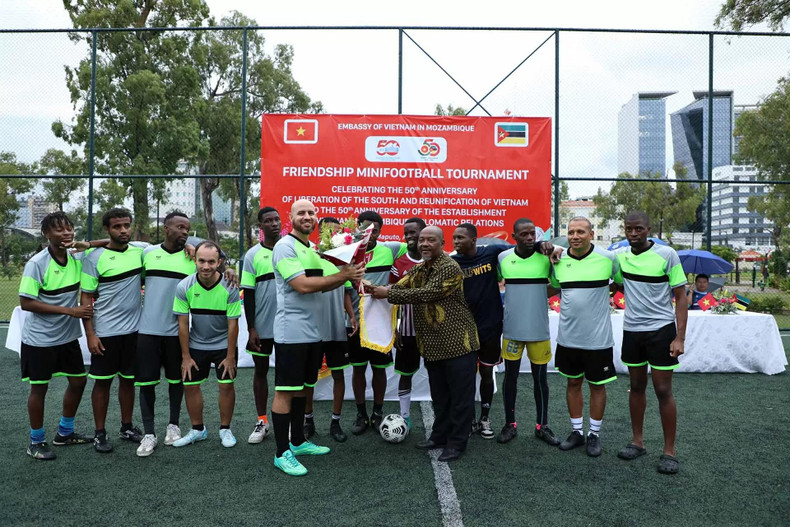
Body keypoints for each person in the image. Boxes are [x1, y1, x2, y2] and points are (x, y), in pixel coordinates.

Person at [271, 199, 364, 476]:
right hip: (292, 332)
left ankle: (298, 441)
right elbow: (301, 285)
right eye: (302, 213)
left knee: (302, 387)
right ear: (292, 218)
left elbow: (328, 284)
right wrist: (343, 275)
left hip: (314, 332)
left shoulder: (312, 249)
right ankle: (281, 452)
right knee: (286, 390)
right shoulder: (284, 246)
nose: (308, 217)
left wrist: (351, 270)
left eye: (311, 213)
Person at [371, 226, 479, 463]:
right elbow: (402, 285)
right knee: (440, 395)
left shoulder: (450, 267)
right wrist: (373, 289)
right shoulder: (420, 268)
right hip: (433, 346)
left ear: (442, 243)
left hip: (459, 344)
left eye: (431, 240)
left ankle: (457, 443)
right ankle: (439, 436)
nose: (424, 244)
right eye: (422, 240)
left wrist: (387, 294)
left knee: (460, 397)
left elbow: (427, 293)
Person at [615, 211, 687, 475]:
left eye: (638, 229)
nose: (633, 234)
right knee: (636, 386)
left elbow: (681, 296)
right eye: (629, 229)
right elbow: (617, 284)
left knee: (663, 390)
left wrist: (680, 337)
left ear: (648, 229)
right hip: (632, 331)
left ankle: (669, 451)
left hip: (661, 332)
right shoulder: (620, 257)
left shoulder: (667, 255)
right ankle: (637, 442)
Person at [18, 212, 94, 460]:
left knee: (78, 382)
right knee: (39, 388)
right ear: (46, 234)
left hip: (67, 337)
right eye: (59, 230)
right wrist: (69, 310)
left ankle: (65, 433)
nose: (67, 233)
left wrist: (88, 244)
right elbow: (27, 303)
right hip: (39, 339)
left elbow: (113, 242)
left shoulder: (76, 256)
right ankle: (36, 440)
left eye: (69, 229)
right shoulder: (37, 263)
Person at [551, 217, 621, 457]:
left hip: (598, 339)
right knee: (572, 383)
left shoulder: (608, 258)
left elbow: (620, 283)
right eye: (571, 232)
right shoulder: (558, 260)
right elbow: (552, 285)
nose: (575, 236)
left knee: (597, 385)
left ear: (592, 234)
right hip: (568, 338)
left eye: (581, 231)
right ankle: (577, 432)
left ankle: (594, 435)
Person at [80, 208, 145, 453]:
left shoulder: (139, 252)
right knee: (103, 383)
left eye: (126, 225)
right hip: (105, 332)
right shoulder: (94, 258)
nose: (123, 230)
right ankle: (100, 433)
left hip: (134, 331)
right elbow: (85, 299)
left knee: (128, 380)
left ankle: (126, 427)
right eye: (117, 226)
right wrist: (91, 334)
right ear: (108, 229)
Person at [135, 211, 197, 456]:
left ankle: (174, 426)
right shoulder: (148, 253)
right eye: (180, 227)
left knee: (176, 381)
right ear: (166, 228)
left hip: (177, 333)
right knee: (147, 384)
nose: (184, 231)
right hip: (148, 331)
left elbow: (216, 261)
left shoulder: (191, 258)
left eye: (187, 228)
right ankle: (149, 434)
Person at [497, 218, 561, 446]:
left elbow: (558, 283)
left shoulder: (547, 257)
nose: (529, 238)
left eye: (532, 233)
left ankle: (542, 425)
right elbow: (494, 283)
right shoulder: (504, 258)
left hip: (538, 330)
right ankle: (509, 424)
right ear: (514, 236)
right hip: (512, 330)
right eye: (524, 234)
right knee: (510, 378)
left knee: (540, 379)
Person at [172, 241, 241, 449]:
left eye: (211, 262)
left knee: (226, 386)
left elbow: (233, 325)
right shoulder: (184, 286)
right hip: (196, 344)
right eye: (201, 261)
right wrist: (185, 356)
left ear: (219, 262)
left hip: (223, 346)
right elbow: (183, 324)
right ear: (195, 260)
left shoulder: (230, 286)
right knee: (190, 386)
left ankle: (225, 429)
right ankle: (197, 429)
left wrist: (230, 357)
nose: (206, 266)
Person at [347, 210, 407, 435]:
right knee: (358, 369)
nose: (370, 233)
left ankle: (378, 412)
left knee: (380, 370)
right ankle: (361, 414)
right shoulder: (348, 251)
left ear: (381, 231)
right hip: (354, 321)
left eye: (375, 229)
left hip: (381, 322)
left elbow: (415, 247)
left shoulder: (390, 249)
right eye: (365, 228)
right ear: (358, 228)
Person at [303, 217, 358, 443]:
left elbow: (346, 291)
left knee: (338, 374)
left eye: (337, 231)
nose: (333, 234)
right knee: (309, 378)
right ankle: (308, 420)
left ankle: (335, 422)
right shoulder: (312, 256)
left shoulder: (345, 261)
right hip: (313, 329)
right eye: (329, 231)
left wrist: (352, 316)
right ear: (321, 233)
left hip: (336, 327)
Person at [241, 206, 281, 444]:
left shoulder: (290, 250)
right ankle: (262, 421)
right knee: (261, 371)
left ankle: (285, 420)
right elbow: (249, 293)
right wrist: (252, 328)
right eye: (269, 220)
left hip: (288, 326)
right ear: (261, 226)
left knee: (286, 376)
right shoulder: (252, 255)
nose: (274, 223)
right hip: (262, 328)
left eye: (277, 219)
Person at [390, 217, 426, 429]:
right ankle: (404, 416)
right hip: (407, 331)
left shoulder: (437, 261)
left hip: (432, 332)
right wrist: (395, 329)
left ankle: (443, 415)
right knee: (405, 375)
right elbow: (391, 299)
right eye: (407, 233)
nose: (410, 236)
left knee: (438, 374)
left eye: (414, 232)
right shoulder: (399, 264)